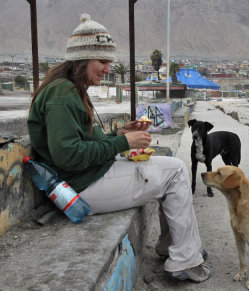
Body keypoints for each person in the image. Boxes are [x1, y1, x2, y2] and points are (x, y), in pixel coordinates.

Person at [27, 13, 212, 283]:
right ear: (82, 59)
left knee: (171, 171)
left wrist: (119, 133)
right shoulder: (62, 95)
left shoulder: (69, 90)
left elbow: (83, 142)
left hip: (87, 177)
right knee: (175, 172)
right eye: (102, 61)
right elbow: (68, 156)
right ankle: (184, 259)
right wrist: (124, 143)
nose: (106, 69)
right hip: (82, 188)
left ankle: (177, 248)